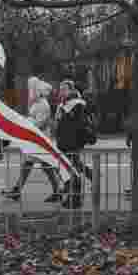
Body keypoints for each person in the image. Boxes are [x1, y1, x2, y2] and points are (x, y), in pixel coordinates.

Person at [5, 79, 62, 203]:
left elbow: (40, 123)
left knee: (38, 165)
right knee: (37, 165)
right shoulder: (37, 103)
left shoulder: (42, 104)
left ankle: (59, 189)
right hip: (36, 139)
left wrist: (27, 125)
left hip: (39, 139)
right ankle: (57, 190)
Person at [55, 79, 89, 209]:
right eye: (60, 89)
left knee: (72, 170)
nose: (61, 91)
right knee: (70, 169)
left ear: (71, 90)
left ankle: (75, 199)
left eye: (64, 89)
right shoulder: (65, 104)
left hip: (72, 143)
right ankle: (72, 197)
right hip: (65, 143)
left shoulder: (76, 104)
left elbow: (75, 125)